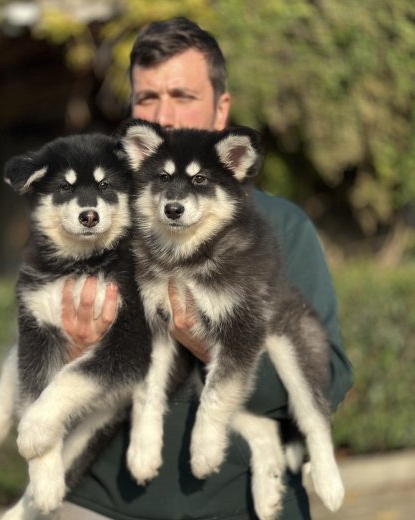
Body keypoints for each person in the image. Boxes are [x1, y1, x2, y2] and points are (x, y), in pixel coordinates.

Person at [59, 17, 353, 520]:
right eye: (147, 98)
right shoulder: (93, 221)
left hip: (239, 501)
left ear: (221, 109)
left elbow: (333, 377)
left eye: (182, 95)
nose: (164, 115)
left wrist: (212, 343)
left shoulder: (280, 226)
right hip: (105, 501)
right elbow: (39, 361)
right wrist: (73, 347)